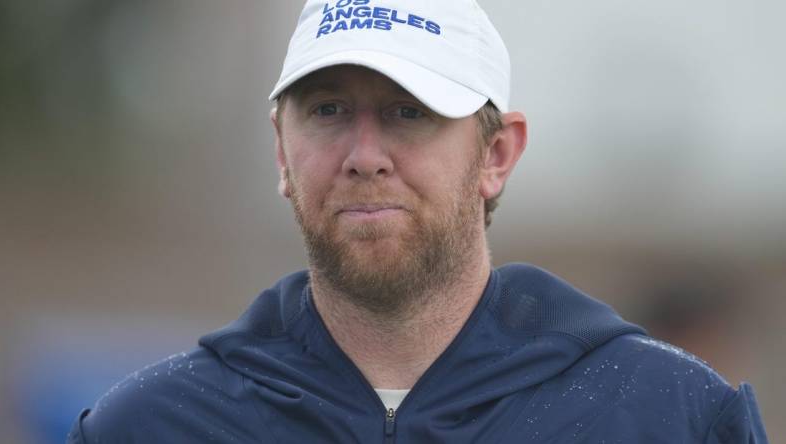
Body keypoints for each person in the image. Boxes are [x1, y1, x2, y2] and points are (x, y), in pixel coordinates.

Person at [67, 0, 769, 442]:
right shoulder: (152, 425)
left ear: (497, 154)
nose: (364, 156)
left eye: (410, 113)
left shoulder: (667, 416)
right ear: (282, 151)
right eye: (328, 110)